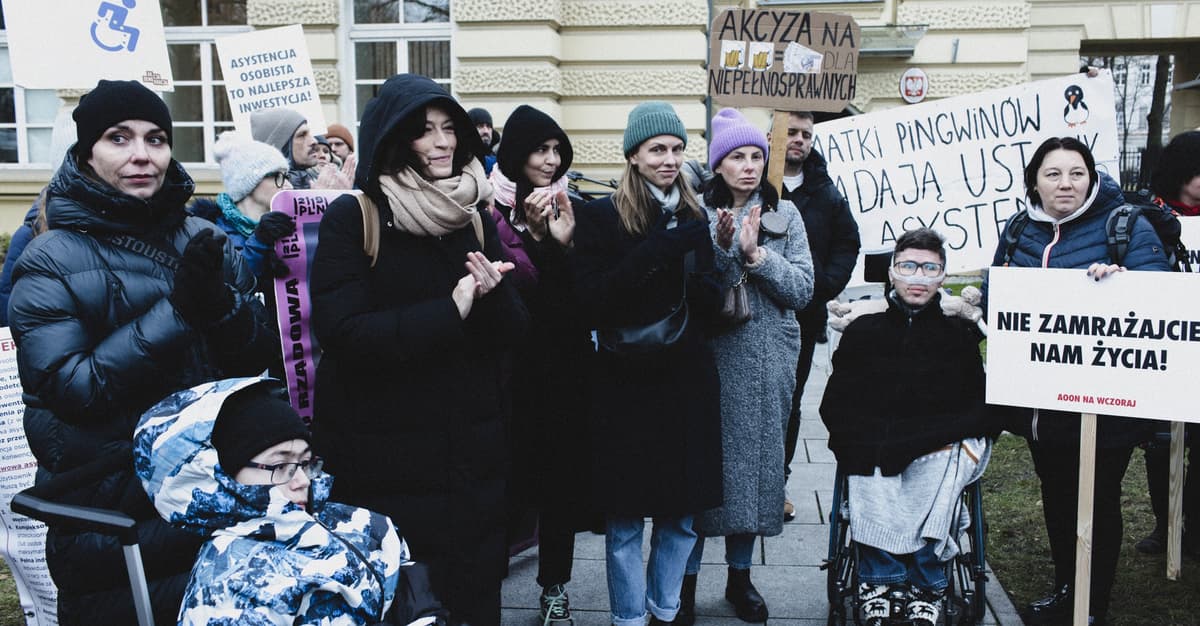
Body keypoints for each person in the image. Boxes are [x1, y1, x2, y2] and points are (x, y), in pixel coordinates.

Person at [7, 79, 277, 625]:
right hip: (113, 514)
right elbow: (72, 390)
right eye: (118, 138)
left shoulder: (204, 236)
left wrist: (222, 309)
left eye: (155, 139)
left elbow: (253, 359)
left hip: (215, 495)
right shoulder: (48, 259)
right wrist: (177, 314)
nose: (141, 155)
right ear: (86, 152)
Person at [310, 73, 529, 626]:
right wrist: (449, 309)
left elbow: (514, 333)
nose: (443, 143)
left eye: (449, 129)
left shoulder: (475, 216)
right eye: (425, 131)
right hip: (386, 468)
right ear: (392, 138)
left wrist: (496, 297)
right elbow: (344, 333)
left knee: (475, 604)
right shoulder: (354, 217)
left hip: (470, 467)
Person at [984, 136, 1169, 625]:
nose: (1065, 183)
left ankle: (1093, 605)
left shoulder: (1126, 226)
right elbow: (998, 295)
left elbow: (1158, 300)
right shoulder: (1021, 228)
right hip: (1042, 404)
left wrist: (1120, 286)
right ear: (1034, 182)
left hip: (1105, 406)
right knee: (1059, 493)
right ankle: (1069, 586)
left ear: (1091, 178)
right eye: (1053, 174)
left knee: (1098, 498)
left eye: (1076, 173)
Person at [572, 100, 723, 626]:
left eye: (677, 149)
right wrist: (658, 249)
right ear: (633, 155)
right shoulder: (600, 216)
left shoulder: (694, 216)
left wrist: (719, 258)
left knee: (682, 516)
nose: (669, 159)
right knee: (625, 521)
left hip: (685, 379)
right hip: (624, 381)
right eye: (657, 149)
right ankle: (629, 618)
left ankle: (665, 609)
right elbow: (590, 300)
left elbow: (707, 303)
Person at [134, 377, 444, 625]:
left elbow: (413, 591)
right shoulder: (229, 585)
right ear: (224, 477)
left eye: (305, 463)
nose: (302, 481)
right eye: (280, 466)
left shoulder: (354, 521)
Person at [680, 108, 814, 625]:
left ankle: (741, 578)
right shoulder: (697, 216)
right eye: (737, 156)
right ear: (718, 165)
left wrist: (759, 256)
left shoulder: (787, 216)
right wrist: (727, 248)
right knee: (701, 473)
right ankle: (684, 583)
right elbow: (696, 288)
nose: (749, 166)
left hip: (766, 362)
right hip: (710, 360)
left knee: (754, 475)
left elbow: (802, 289)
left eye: (757, 156)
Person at [822, 228, 994, 626]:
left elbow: (978, 402)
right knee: (868, 464)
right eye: (909, 266)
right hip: (875, 433)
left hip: (938, 435)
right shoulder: (864, 332)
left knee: (941, 467)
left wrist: (947, 434)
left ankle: (926, 583)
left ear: (942, 278)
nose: (918, 277)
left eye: (930, 268)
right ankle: (879, 579)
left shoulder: (958, 335)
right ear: (893, 275)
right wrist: (858, 435)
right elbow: (838, 401)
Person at [490, 104, 594, 625]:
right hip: (507, 375)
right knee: (506, 485)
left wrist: (558, 246)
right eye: (540, 149)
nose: (552, 161)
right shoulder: (485, 211)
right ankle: (484, 584)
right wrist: (529, 240)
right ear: (515, 154)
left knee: (557, 487)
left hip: (559, 373)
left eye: (558, 150)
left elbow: (572, 301)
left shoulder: (570, 210)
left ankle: (554, 587)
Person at [777, 110, 860, 521]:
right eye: (791, 132)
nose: (799, 140)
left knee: (788, 402)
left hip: (801, 317)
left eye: (806, 134)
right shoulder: (753, 179)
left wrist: (824, 284)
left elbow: (848, 241)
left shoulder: (826, 192)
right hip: (744, 317)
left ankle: (777, 483)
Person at [1134, 129, 1200, 556]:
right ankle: (1168, 523)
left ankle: (1193, 525)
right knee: (1163, 446)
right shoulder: (1146, 217)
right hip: (1169, 350)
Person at [251, 106, 320, 189]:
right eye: (302, 135)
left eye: (309, 134)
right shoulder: (267, 193)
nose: (314, 141)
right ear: (282, 145)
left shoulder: (316, 178)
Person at [469, 107, 499, 174]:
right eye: (480, 126)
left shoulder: (501, 159)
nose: (486, 131)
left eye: (488, 126)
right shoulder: (461, 160)